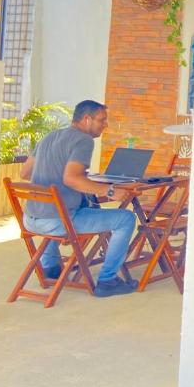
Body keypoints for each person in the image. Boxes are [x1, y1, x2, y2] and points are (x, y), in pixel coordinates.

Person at [20, 100, 139, 298]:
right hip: (58, 222)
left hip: (31, 219)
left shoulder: (49, 137)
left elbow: (25, 173)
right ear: (86, 119)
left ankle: (50, 267)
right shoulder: (83, 140)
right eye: (102, 120)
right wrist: (110, 191)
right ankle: (108, 280)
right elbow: (71, 178)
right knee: (125, 219)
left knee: (73, 206)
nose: (105, 125)